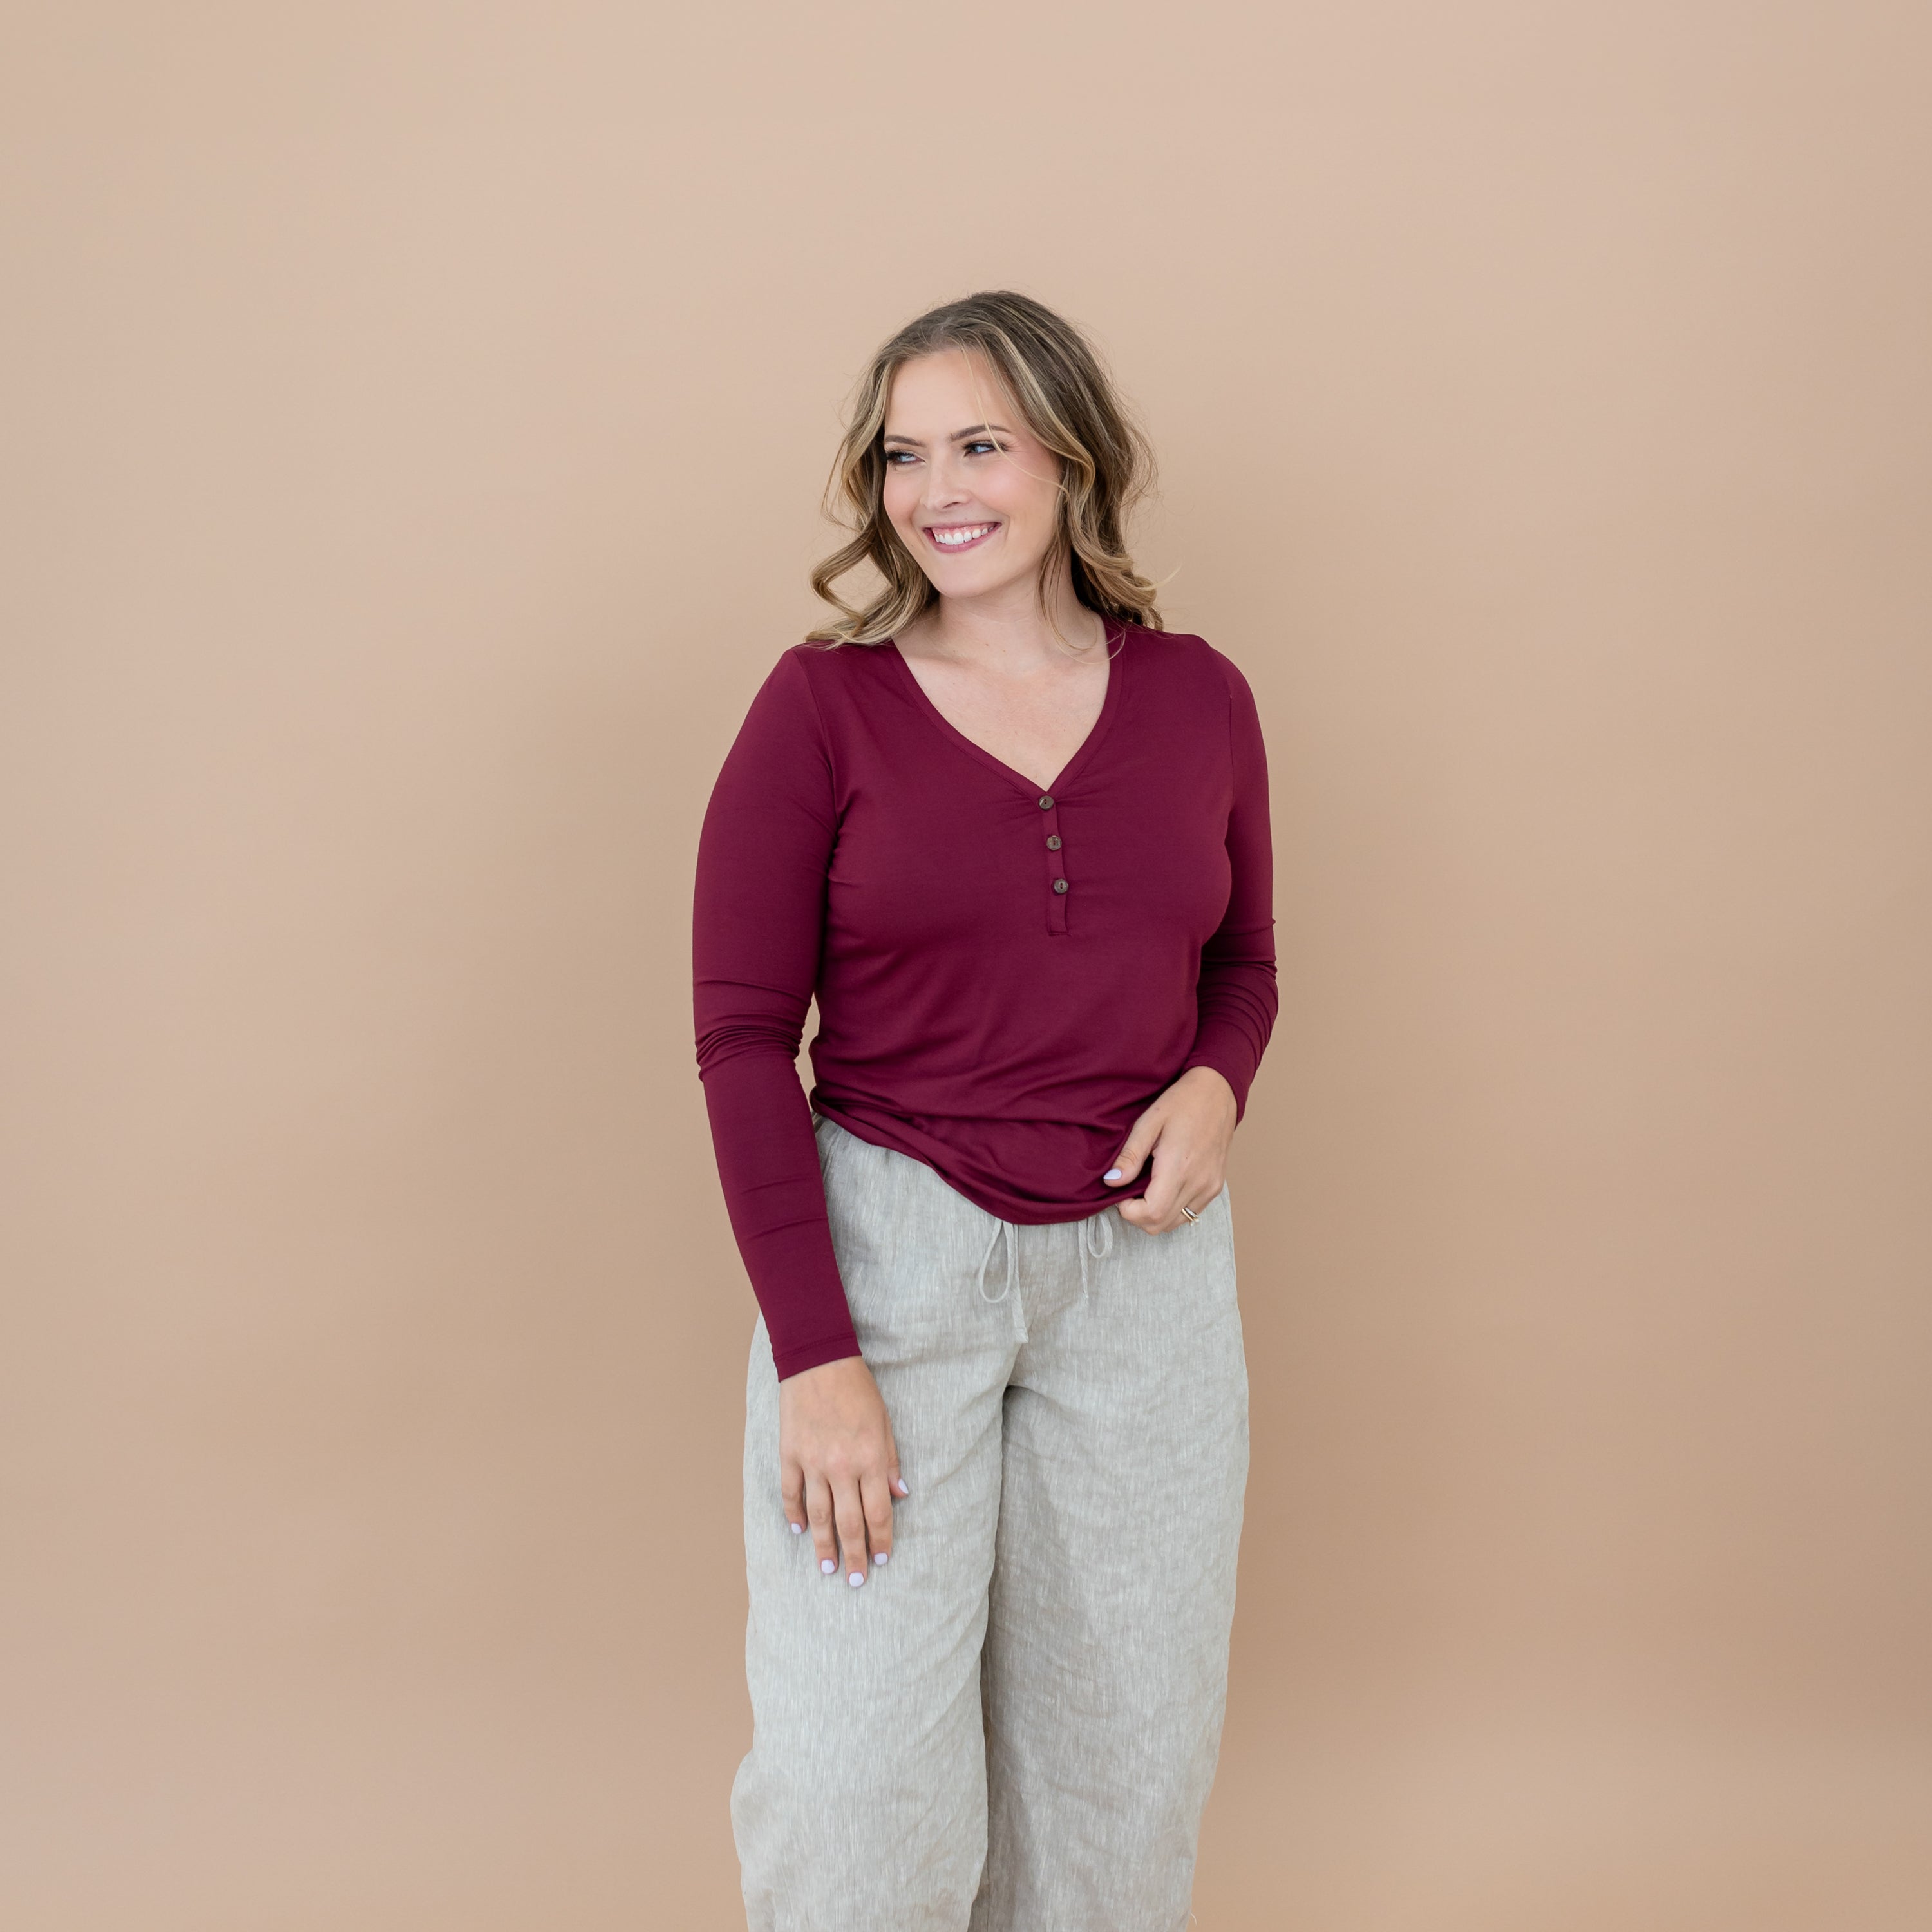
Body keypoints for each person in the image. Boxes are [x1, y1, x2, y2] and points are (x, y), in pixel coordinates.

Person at [692, 289, 1277, 1931]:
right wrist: (818, 1358)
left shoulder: (1202, 698)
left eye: (980, 446)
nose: (936, 490)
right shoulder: (823, 709)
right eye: (902, 456)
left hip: (1149, 1283)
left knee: (1119, 1784)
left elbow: (1245, 964)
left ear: (1070, 461)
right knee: (856, 1793)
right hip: (889, 1267)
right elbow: (742, 1039)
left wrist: (1219, 1085)